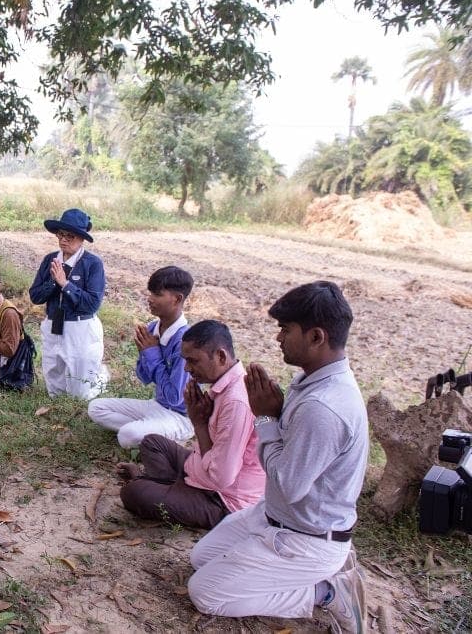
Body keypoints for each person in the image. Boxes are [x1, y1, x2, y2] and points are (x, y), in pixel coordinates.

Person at [188, 282, 369, 633]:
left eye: (286, 330)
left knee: (205, 593)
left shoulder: (324, 407)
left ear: (316, 337)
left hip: (307, 538)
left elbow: (289, 486)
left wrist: (267, 419)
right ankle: (277, 563)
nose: (278, 338)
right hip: (273, 517)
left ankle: (327, 592)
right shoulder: (312, 381)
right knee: (200, 558)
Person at [118, 320, 264, 529]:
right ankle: (168, 486)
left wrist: (200, 425)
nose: (187, 368)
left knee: (133, 493)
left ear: (221, 356)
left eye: (193, 361)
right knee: (152, 442)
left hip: (221, 499)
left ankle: (162, 487)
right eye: (185, 361)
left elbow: (221, 478)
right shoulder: (224, 386)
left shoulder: (236, 402)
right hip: (203, 471)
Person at [88, 266, 194, 447]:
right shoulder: (153, 328)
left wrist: (152, 354)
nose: (150, 299)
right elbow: (144, 377)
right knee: (96, 408)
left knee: (127, 435)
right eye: (150, 293)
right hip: (157, 406)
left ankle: (166, 435)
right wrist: (144, 353)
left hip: (180, 416)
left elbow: (175, 397)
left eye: (157, 294)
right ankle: (153, 432)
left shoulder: (185, 340)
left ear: (177, 299)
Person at [28, 208, 108, 399]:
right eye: (60, 235)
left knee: (80, 392)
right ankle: (57, 398)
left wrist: (65, 284)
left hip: (80, 326)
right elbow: (35, 296)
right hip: (54, 321)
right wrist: (54, 282)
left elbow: (92, 304)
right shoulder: (50, 260)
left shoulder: (92, 264)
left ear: (81, 239)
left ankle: (101, 378)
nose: (63, 240)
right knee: (54, 376)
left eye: (69, 236)